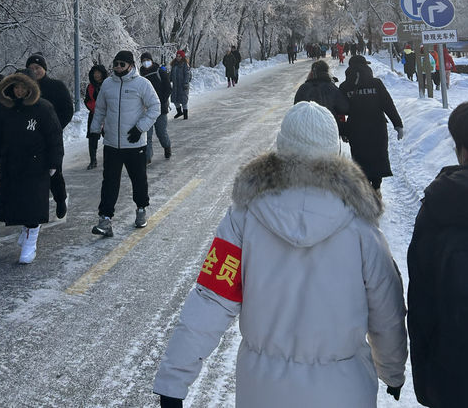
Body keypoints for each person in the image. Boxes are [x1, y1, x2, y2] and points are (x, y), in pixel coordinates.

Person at [153, 101, 407, 407]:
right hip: (344, 391)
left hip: (262, 392)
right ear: (335, 151)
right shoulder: (361, 224)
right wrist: (392, 372)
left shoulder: (244, 217)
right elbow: (387, 310)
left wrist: (174, 380)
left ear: (281, 150)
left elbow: (212, 298)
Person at [407, 101, 468, 407]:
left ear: (465, 152)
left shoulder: (439, 208)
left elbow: (422, 305)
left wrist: (427, 386)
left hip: (456, 378)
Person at [0, 71, 63, 264]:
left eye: (24, 87)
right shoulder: (6, 109)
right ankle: (26, 228)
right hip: (12, 164)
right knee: (17, 202)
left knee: (33, 205)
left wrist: (54, 162)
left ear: (31, 88)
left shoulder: (43, 108)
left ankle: (31, 242)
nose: (20, 91)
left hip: (35, 165)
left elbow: (54, 137)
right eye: (16, 87)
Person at [90, 50, 160, 237]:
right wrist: (95, 130)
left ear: (130, 65)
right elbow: (100, 109)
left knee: (138, 180)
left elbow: (155, 106)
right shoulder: (107, 84)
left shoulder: (141, 84)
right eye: (116, 64)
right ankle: (105, 219)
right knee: (109, 182)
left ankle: (141, 209)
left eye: (122, 64)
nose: (118, 67)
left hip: (134, 144)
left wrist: (140, 128)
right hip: (112, 143)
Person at [339, 55, 404, 194]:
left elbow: (340, 110)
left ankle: (364, 187)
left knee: (359, 156)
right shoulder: (376, 84)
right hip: (377, 127)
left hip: (355, 128)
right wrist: (397, 124)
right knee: (377, 156)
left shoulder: (344, 87)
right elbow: (388, 104)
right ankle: (376, 187)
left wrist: (343, 130)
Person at [26, 53, 73, 219]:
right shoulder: (23, 89)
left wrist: (55, 127)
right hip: (30, 139)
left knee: (54, 172)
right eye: (31, 68)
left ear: (44, 69)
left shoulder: (56, 86)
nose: (35, 71)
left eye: (37, 68)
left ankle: (60, 199)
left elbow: (68, 110)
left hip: (51, 139)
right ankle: (35, 207)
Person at [293, 59, 349, 125]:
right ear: (327, 72)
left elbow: (296, 109)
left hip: (305, 128)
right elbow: (345, 108)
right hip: (328, 128)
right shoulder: (331, 88)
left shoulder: (303, 88)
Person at [139, 52, 172, 162]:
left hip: (160, 109)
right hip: (147, 110)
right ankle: (147, 157)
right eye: (143, 61)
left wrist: (160, 102)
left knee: (161, 132)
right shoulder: (141, 74)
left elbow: (168, 88)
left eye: (147, 60)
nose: (145, 63)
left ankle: (167, 146)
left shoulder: (160, 71)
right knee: (147, 135)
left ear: (152, 60)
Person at [84, 63, 108, 169]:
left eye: (98, 73)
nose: (96, 75)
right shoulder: (90, 86)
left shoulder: (108, 84)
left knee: (108, 137)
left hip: (107, 115)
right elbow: (87, 100)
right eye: (95, 73)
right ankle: (93, 160)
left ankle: (109, 159)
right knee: (92, 138)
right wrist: (94, 108)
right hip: (94, 114)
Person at [170, 50, 191, 120]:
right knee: (175, 100)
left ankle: (185, 114)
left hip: (183, 85)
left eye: (180, 56)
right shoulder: (174, 64)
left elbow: (187, 75)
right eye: (177, 56)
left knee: (183, 100)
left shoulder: (185, 65)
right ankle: (179, 112)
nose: (178, 57)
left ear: (182, 57)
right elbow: (171, 74)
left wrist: (185, 83)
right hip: (175, 85)